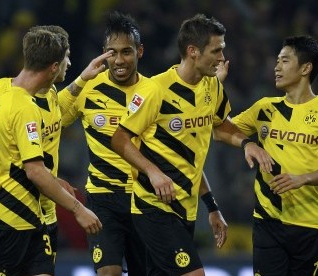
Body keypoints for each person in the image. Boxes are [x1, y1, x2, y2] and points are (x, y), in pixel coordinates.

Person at [61, 11, 229, 275]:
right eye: (112, 52)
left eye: (126, 52)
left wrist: (211, 205)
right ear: (103, 53)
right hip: (104, 197)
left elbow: (183, 156)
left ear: (140, 51)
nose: (119, 60)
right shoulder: (88, 89)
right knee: (109, 272)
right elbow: (51, 118)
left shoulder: (155, 92)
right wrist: (81, 79)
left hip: (145, 198)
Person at [111, 13, 274, 275]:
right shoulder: (155, 90)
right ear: (193, 51)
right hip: (153, 207)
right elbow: (119, 138)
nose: (222, 57)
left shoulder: (212, 87)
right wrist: (153, 172)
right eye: (216, 50)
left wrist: (246, 145)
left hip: (186, 209)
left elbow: (220, 127)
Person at [0, 25, 113, 267]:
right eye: (66, 57)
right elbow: (34, 171)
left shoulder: (2, 87)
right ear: (53, 66)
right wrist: (78, 209)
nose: (69, 62)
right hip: (6, 217)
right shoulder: (25, 108)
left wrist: (82, 79)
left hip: (39, 217)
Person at [230, 35, 318, 275]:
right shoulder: (264, 108)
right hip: (267, 221)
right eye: (277, 61)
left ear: (306, 68)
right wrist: (248, 144)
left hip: (308, 226)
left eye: (284, 61)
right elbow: (220, 129)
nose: (276, 67)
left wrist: (300, 178)